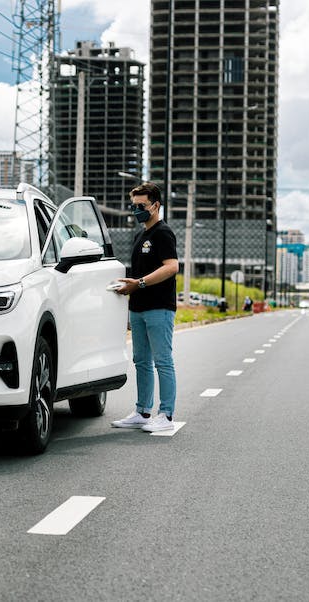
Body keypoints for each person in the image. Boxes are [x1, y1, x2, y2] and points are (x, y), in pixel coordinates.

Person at [110, 182, 179, 432]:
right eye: (134, 205)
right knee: (141, 361)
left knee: (162, 361)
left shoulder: (163, 233)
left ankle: (166, 414)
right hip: (138, 308)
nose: (136, 209)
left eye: (141, 205)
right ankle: (142, 411)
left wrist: (139, 283)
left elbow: (171, 267)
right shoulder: (140, 235)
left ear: (156, 205)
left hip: (159, 307)